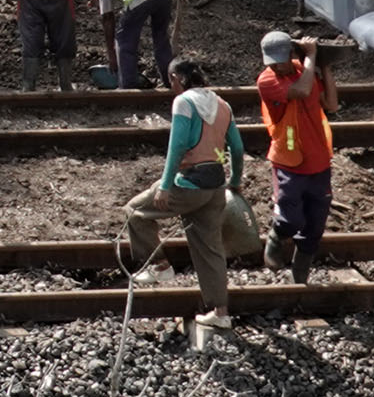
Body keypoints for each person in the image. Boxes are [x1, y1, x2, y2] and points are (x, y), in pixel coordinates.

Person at [116, 53, 254, 315]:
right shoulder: (223, 104)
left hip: (189, 183)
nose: (172, 88)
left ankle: (159, 267)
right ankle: (220, 314)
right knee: (209, 250)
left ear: (177, 78)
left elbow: (177, 146)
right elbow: (236, 148)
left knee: (134, 212)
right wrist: (234, 181)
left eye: (171, 82)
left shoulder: (183, 102)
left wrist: (166, 185)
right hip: (215, 186)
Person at [256, 30, 339, 282]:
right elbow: (302, 91)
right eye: (271, 61)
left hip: (318, 160)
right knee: (290, 219)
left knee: (315, 224)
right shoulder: (267, 80)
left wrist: (324, 67)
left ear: (291, 55)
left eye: (280, 60)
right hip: (288, 161)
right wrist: (312, 57)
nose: (276, 66)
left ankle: (301, 269)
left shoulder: (303, 70)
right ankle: (276, 236)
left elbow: (332, 104)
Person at [94, 0, 185, 90]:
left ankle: (128, 88)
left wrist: (111, 54)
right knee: (161, 39)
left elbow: (107, 17)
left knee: (125, 40)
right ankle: (171, 83)